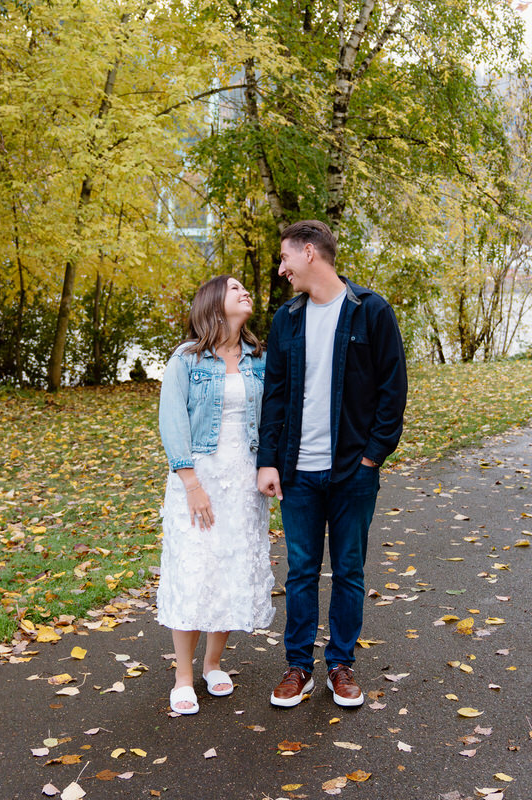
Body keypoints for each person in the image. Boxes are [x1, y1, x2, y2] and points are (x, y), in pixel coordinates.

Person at [256, 220, 407, 709]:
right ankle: (298, 666)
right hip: (298, 471)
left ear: (309, 253)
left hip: (352, 472)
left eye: (285, 259)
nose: (282, 270)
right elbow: (274, 396)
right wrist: (268, 461)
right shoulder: (287, 319)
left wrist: (371, 456)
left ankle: (341, 665)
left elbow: (393, 390)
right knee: (300, 571)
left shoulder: (371, 311)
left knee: (348, 569)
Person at [156, 276, 275, 715]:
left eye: (246, 288)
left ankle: (212, 665)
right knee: (195, 572)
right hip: (198, 478)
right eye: (235, 289)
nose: (245, 293)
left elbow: (270, 420)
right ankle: (183, 677)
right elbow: (173, 423)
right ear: (213, 304)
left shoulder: (258, 360)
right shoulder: (186, 359)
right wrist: (191, 484)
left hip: (243, 479)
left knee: (229, 568)